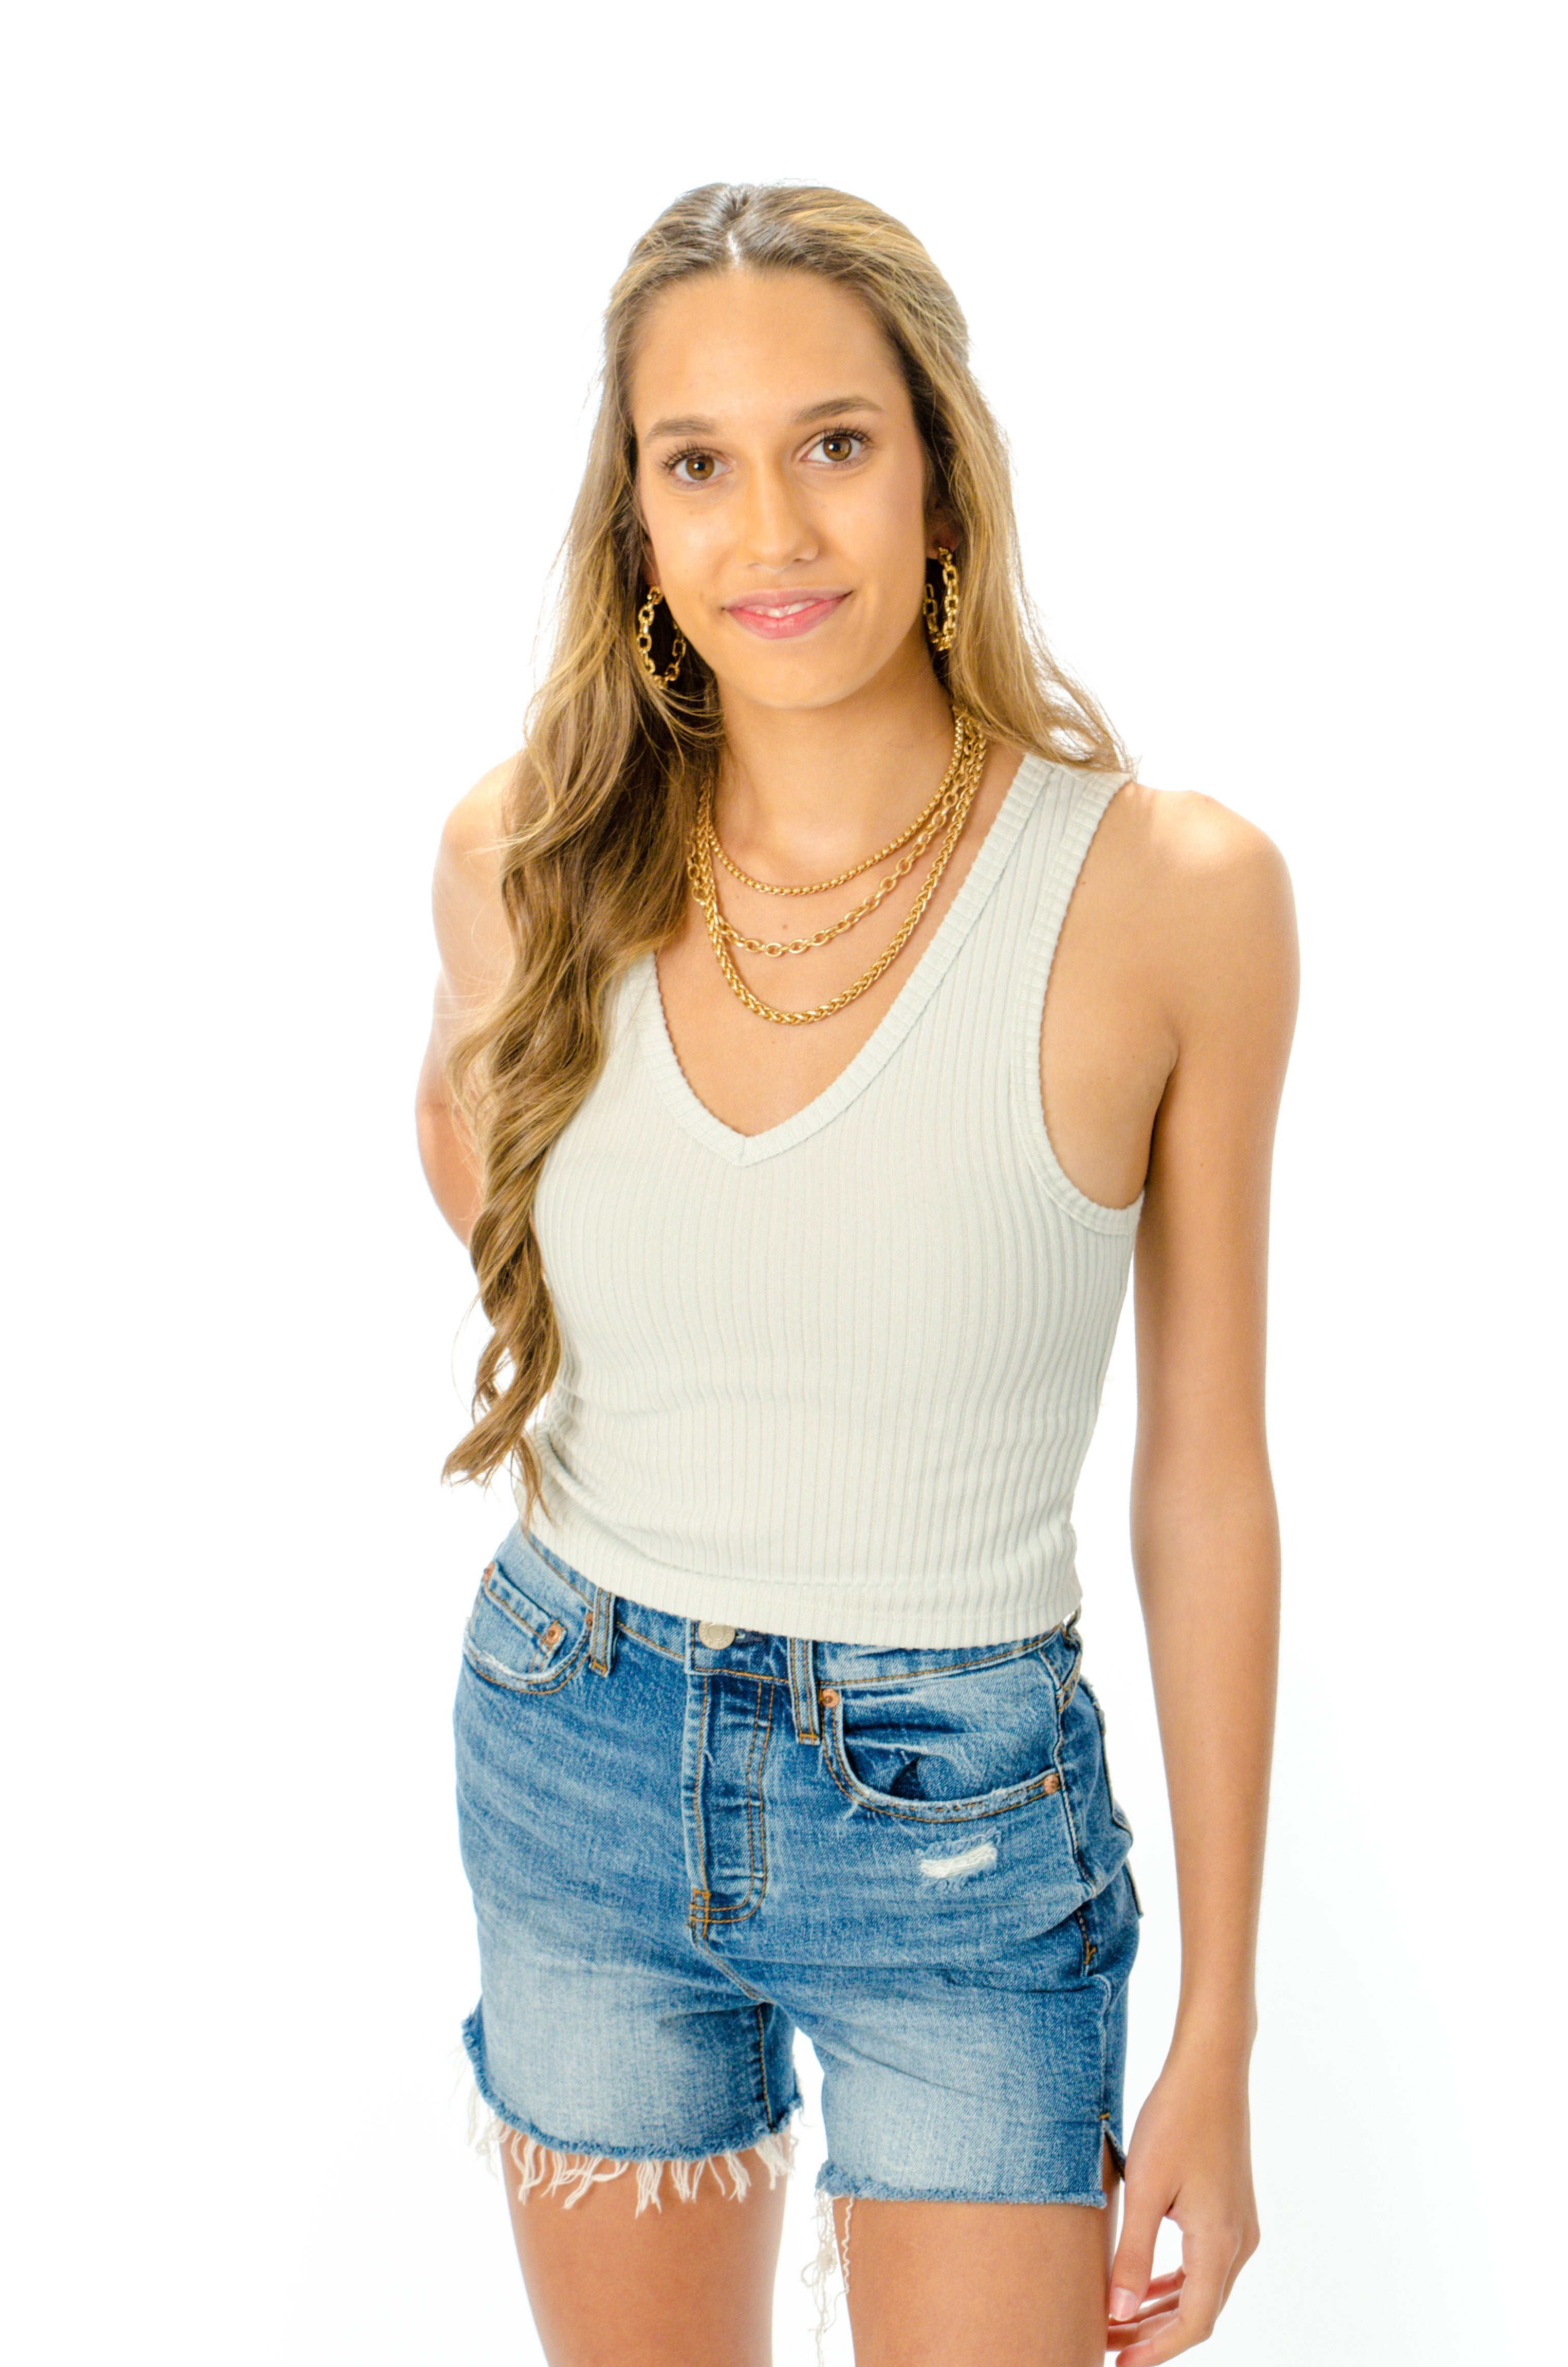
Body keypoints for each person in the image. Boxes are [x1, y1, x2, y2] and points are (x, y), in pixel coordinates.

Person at [415, 180, 1296, 2367]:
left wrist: (1217, 2031)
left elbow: (1205, 1482)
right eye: (695, 464)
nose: (773, 532)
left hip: (959, 1824)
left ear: (936, 475)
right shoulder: (523, 857)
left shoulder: (1170, 894)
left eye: (832, 443)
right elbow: (523, 1217)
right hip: (574, 1742)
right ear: (634, 521)